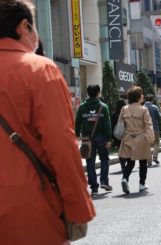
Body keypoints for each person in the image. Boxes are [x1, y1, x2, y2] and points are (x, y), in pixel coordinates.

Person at [0, 1, 95, 243]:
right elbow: (61, 146)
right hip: (29, 210)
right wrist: (78, 209)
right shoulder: (39, 70)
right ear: (24, 26)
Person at [75, 84, 113, 196]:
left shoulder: (82, 107)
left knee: (90, 162)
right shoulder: (103, 107)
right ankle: (104, 181)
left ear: (88, 93)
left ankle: (94, 188)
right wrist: (109, 138)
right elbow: (107, 124)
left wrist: (77, 134)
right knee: (104, 158)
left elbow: (77, 123)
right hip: (101, 137)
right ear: (98, 93)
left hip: (87, 138)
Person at [119, 86, 154, 194]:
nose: (143, 96)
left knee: (130, 162)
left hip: (128, 137)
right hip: (141, 138)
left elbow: (120, 124)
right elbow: (148, 125)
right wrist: (151, 138)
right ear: (138, 97)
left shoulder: (124, 109)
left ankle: (125, 178)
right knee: (143, 162)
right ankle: (142, 184)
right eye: (142, 94)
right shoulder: (143, 109)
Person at [144, 94, 161, 167]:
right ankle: (155, 157)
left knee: (147, 144)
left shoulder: (142, 107)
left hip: (145, 129)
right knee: (156, 142)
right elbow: (159, 117)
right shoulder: (155, 107)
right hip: (154, 128)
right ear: (152, 100)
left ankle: (149, 160)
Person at [111, 99, 127, 171]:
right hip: (126, 134)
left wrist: (112, 137)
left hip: (118, 135)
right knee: (127, 149)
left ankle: (122, 164)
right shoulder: (126, 113)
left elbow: (112, 125)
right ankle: (125, 161)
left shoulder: (114, 114)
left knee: (120, 150)